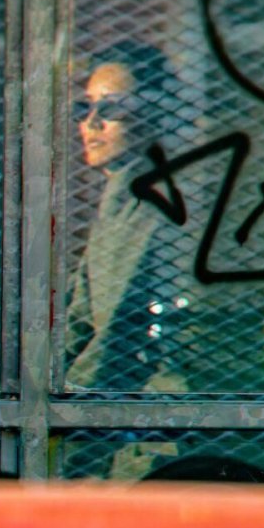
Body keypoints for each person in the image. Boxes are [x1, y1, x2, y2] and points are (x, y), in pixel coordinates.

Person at [63, 41, 195, 393]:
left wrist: (60, 412)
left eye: (111, 109)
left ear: (154, 116)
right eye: (84, 108)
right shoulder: (118, 200)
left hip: (159, 408)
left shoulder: (151, 202)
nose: (91, 123)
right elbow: (79, 320)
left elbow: (115, 336)